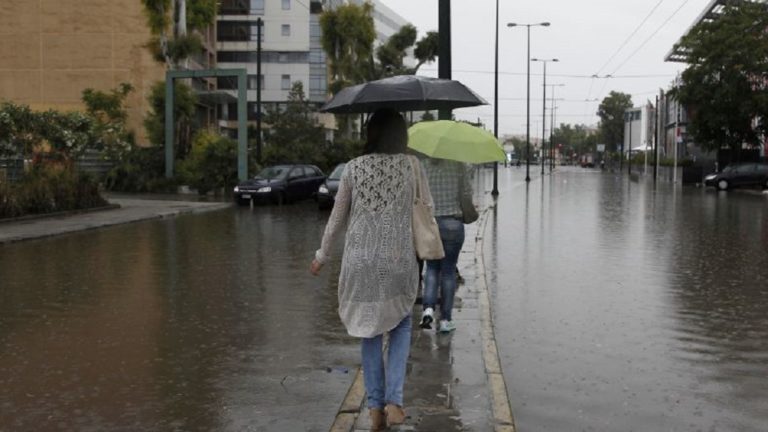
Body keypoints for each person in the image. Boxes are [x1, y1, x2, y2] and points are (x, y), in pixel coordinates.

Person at [310, 108, 432, 431]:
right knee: (402, 323)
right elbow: (425, 210)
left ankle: (375, 410)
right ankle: (394, 401)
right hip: (398, 261)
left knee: (369, 332)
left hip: (360, 263)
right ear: (401, 136)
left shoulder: (353, 168)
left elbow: (336, 218)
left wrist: (321, 256)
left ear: (370, 134)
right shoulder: (412, 166)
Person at [419, 157, 473, 333]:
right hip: (453, 223)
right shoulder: (460, 165)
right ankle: (445, 320)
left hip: (430, 224)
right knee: (448, 272)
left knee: (432, 269)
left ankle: (428, 309)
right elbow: (466, 193)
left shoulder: (424, 166)